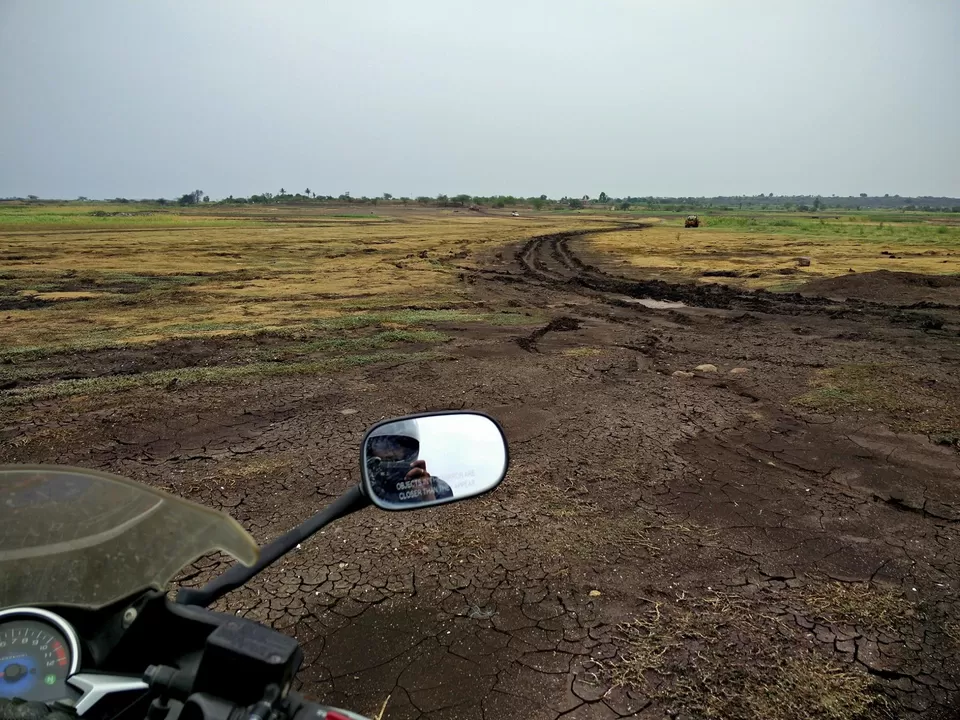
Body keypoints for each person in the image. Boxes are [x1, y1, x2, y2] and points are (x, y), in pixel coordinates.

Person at [365, 419, 453, 504]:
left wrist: (427, 495)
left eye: (397, 445)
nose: (390, 453)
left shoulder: (438, 487)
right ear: (370, 450)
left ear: (409, 450)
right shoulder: (366, 486)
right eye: (382, 445)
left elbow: (441, 517)